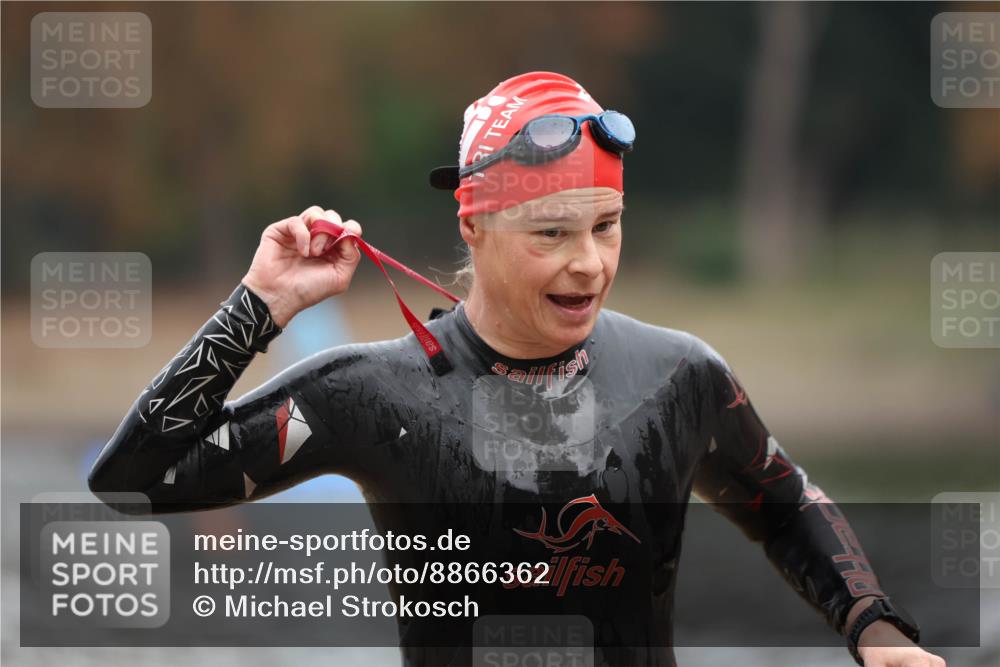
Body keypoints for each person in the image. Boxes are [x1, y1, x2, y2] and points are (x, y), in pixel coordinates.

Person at [88, 71, 945, 667]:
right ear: (474, 226)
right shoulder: (372, 395)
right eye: (551, 233)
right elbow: (133, 481)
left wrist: (873, 625)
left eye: (606, 225)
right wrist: (259, 306)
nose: (588, 263)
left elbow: (785, 504)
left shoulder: (677, 379)